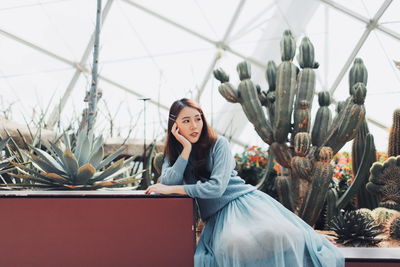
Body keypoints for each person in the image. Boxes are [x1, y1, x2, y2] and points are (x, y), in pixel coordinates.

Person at [145, 98, 344, 267]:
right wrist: (186, 150)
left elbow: (216, 188)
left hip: (244, 203)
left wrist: (175, 188)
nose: (194, 126)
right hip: (218, 217)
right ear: (175, 126)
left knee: (281, 236)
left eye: (198, 119)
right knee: (232, 245)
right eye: (186, 121)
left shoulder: (218, 144)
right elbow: (168, 181)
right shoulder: (176, 153)